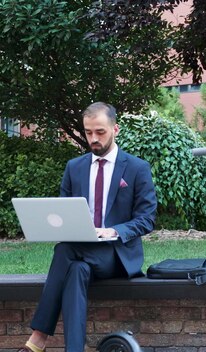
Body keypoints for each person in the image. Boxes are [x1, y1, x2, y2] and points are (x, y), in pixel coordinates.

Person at [18, 102, 157, 352]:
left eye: (100, 132)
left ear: (115, 129)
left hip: (117, 253)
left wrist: (112, 231)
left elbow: (147, 219)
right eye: (88, 132)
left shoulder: (137, 168)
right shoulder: (75, 167)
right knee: (76, 271)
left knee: (64, 251)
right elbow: (63, 213)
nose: (93, 138)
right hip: (82, 251)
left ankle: (39, 337)